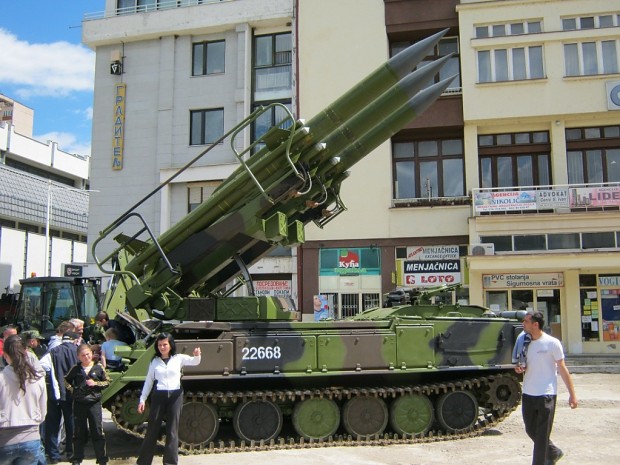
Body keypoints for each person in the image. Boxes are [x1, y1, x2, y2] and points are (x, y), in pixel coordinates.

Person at [514, 311, 578, 465]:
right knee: (530, 429)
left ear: (535, 325)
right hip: (529, 392)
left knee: (542, 435)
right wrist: (519, 369)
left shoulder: (552, 343)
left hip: (546, 394)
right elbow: (522, 364)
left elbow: (562, 369)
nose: (523, 324)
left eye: (526, 321)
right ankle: (554, 452)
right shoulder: (524, 342)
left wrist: (572, 395)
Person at [136, 333, 201, 465]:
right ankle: (143, 462)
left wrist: (197, 354)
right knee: (152, 429)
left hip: (175, 396)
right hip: (159, 395)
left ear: (170, 345)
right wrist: (142, 399)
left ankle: (170, 462)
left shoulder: (179, 358)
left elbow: (195, 362)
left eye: (165, 344)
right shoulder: (154, 362)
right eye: (159, 345)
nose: (162, 347)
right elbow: (149, 381)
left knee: (172, 431)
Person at [0, 334, 47, 465]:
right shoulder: (38, 379)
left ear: (5, 355)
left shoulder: (1, 379)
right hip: (31, 438)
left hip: (4, 440)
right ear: (26, 352)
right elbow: (43, 413)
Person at [64, 344, 109, 465]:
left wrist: (96, 383)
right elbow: (66, 380)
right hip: (79, 403)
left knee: (97, 431)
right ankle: (77, 458)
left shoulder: (98, 367)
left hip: (94, 403)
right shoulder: (76, 369)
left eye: (88, 354)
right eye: (83, 355)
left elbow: (107, 382)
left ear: (92, 354)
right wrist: (73, 390)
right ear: (78, 356)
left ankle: (102, 458)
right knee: (79, 431)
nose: (86, 357)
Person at [40, 331, 79, 464]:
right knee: (71, 425)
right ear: (75, 340)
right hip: (72, 395)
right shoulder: (78, 351)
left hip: (54, 395)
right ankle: (71, 453)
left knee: (52, 425)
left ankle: (53, 455)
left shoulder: (53, 352)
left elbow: (41, 366)